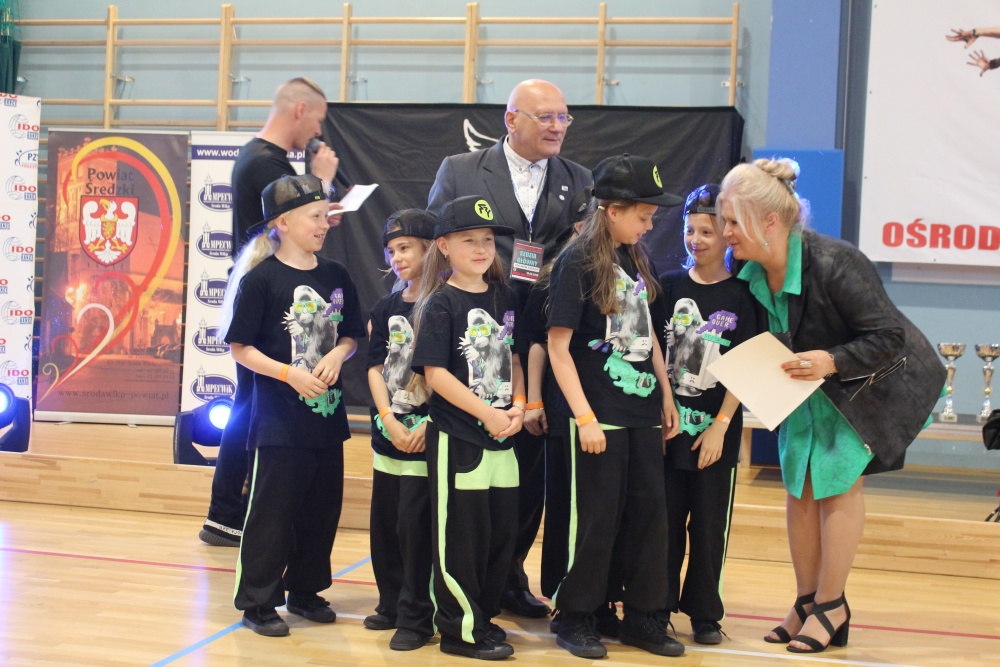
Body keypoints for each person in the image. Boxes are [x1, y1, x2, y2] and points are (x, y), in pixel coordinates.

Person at [718, 158, 945, 653]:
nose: (725, 232)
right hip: (803, 391)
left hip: (863, 387)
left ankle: (832, 604)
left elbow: (889, 337)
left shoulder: (836, 262)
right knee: (799, 489)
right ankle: (806, 602)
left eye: (733, 221)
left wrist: (831, 360)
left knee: (837, 486)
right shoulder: (746, 268)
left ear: (769, 222)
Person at [427, 77, 592, 619]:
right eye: (546, 117)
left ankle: (509, 576)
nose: (557, 127)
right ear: (511, 119)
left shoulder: (578, 179)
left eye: (563, 117)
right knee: (470, 472)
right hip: (476, 334)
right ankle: (459, 584)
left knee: (528, 471)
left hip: (544, 339)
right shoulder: (460, 170)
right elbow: (434, 249)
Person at [546, 154, 685, 659]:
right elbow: (558, 347)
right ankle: (576, 614)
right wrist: (584, 417)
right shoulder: (576, 262)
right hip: (597, 413)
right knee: (595, 519)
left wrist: (665, 394)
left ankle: (643, 615)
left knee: (648, 516)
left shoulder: (634, 258)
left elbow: (647, 333)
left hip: (640, 411)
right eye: (643, 215)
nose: (649, 225)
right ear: (612, 210)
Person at [199, 77, 344, 548]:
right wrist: (321, 182)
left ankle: (229, 513)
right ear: (300, 109)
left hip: (264, 290)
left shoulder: (263, 157)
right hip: (267, 295)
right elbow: (287, 225)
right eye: (318, 119)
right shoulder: (266, 162)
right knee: (253, 407)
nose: (318, 131)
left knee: (251, 404)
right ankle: (228, 512)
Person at [222, 173, 364, 637]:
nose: (323, 225)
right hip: (278, 422)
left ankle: (305, 590)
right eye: (314, 217)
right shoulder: (261, 280)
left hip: (327, 419)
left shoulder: (336, 275)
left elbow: (350, 335)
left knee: (320, 511)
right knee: (272, 513)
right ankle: (258, 601)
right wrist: (289, 373)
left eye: (325, 216)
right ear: (282, 222)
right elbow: (241, 348)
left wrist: (338, 355)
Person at [410, 195, 524, 660]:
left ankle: (483, 619)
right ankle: (460, 631)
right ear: (444, 246)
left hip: (504, 438)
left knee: (500, 536)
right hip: (460, 438)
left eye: (487, 240)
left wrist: (519, 405)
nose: (481, 249)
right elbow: (435, 375)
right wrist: (487, 413)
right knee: (461, 537)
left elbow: (515, 358)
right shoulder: (442, 303)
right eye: (468, 240)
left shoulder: (505, 296)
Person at [658, 184, 762, 645]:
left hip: (715, 432)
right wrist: (664, 405)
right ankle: (655, 605)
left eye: (707, 231)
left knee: (708, 527)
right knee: (663, 525)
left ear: (727, 237)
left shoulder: (744, 295)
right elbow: (655, 354)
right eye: (690, 230)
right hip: (669, 429)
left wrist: (720, 427)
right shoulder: (667, 287)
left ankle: (704, 613)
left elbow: (745, 367)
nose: (695, 240)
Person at [364, 209, 437, 651]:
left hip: (427, 436)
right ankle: (390, 602)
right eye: (391, 251)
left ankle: (417, 613)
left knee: (416, 529)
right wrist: (387, 418)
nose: (397, 258)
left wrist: (429, 421)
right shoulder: (386, 307)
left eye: (405, 248)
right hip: (389, 434)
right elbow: (375, 367)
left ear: (432, 248)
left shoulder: (445, 303)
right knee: (386, 526)